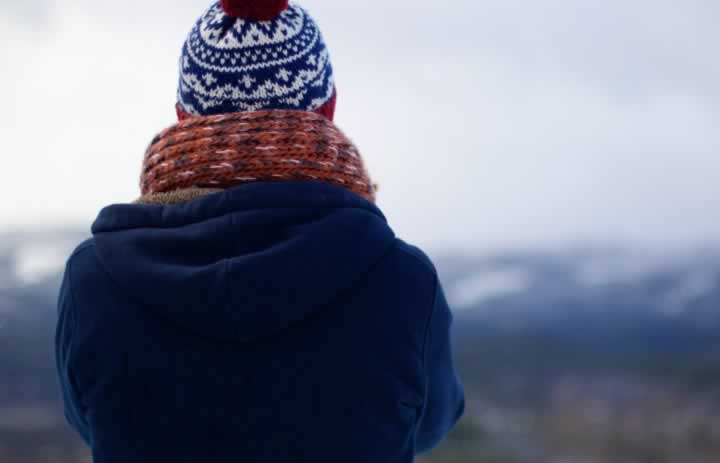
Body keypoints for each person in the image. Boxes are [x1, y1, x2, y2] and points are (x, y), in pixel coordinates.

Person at [54, 1, 465, 461]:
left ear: (181, 114)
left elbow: (89, 418)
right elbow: (428, 423)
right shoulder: (403, 282)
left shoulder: (92, 279)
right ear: (328, 108)